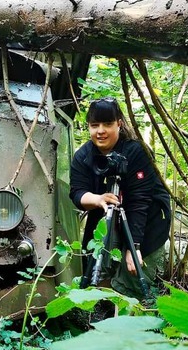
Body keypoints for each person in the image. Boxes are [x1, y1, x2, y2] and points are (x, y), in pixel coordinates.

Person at [69, 97, 171, 299]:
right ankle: (100, 311)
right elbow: (77, 192)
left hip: (146, 220)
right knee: (96, 272)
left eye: (108, 124)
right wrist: (97, 199)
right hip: (105, 217)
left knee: (132, 275)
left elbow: (140, 202)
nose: (101, 131)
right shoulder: (83, 156)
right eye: (94, 125)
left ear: (119, 124)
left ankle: (135, 313)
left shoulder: (136, 151)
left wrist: (135, 248)